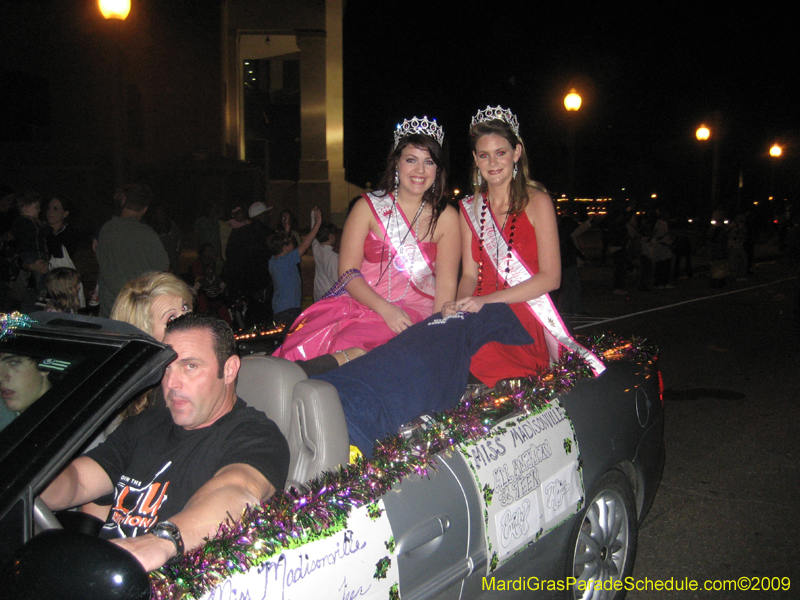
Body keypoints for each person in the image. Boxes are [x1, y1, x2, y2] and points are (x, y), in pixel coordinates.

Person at [41, 313, 289, 573]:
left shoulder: (256, 436)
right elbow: (78, 479)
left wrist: (163, 541)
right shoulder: (145, 425)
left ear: (228, 370)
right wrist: (29, 482)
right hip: (101, 575)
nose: (171, 383)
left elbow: (237, 491)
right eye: (167, 367)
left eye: (190, 366)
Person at [275, 116, 460, 361]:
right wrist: (386, 310)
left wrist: (435, 334)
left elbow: (446, 286)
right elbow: (348, 272)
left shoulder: (446, 216)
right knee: (330, 346)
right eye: (411, 160)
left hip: (417, 313)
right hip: (363, 306)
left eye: (429, 162)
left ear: (438, 169)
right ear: (396, 163)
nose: (420, 170)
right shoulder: (367, 207)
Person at [442, 106, 604, 387]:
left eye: (500, 152)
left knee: (480, 362)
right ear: (475, 160)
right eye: (484, 155)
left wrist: (483, 303)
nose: (492, 162)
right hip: (479, 312)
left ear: (516, 153)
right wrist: (460, 308)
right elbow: (469, 275)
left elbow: (551, 278)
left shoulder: (538, 201)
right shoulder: (469, 208)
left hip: (521, 312)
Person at [95, 184, 170, 318]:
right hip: (135, 313)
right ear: (145, 209)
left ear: (123, 201)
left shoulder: (106, 229)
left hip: (110, 310)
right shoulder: (146, 234)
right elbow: (164, 268)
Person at [268, 208, 322, 327]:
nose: (293, 243)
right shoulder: (287, 260)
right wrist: (317, 225)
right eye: (290, 242)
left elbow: (282, 244)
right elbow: (306, 244)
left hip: (279, 308)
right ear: (284, 248)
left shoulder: (273, 261)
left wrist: (287, 228)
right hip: (289, 310)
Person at [312, 221, 339, 301]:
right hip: (329, 299)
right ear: (330, 236)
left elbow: (314, 238)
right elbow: (337, 280)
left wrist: (315, 221)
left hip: (318, 295)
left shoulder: (316, 249)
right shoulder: (333, 257)